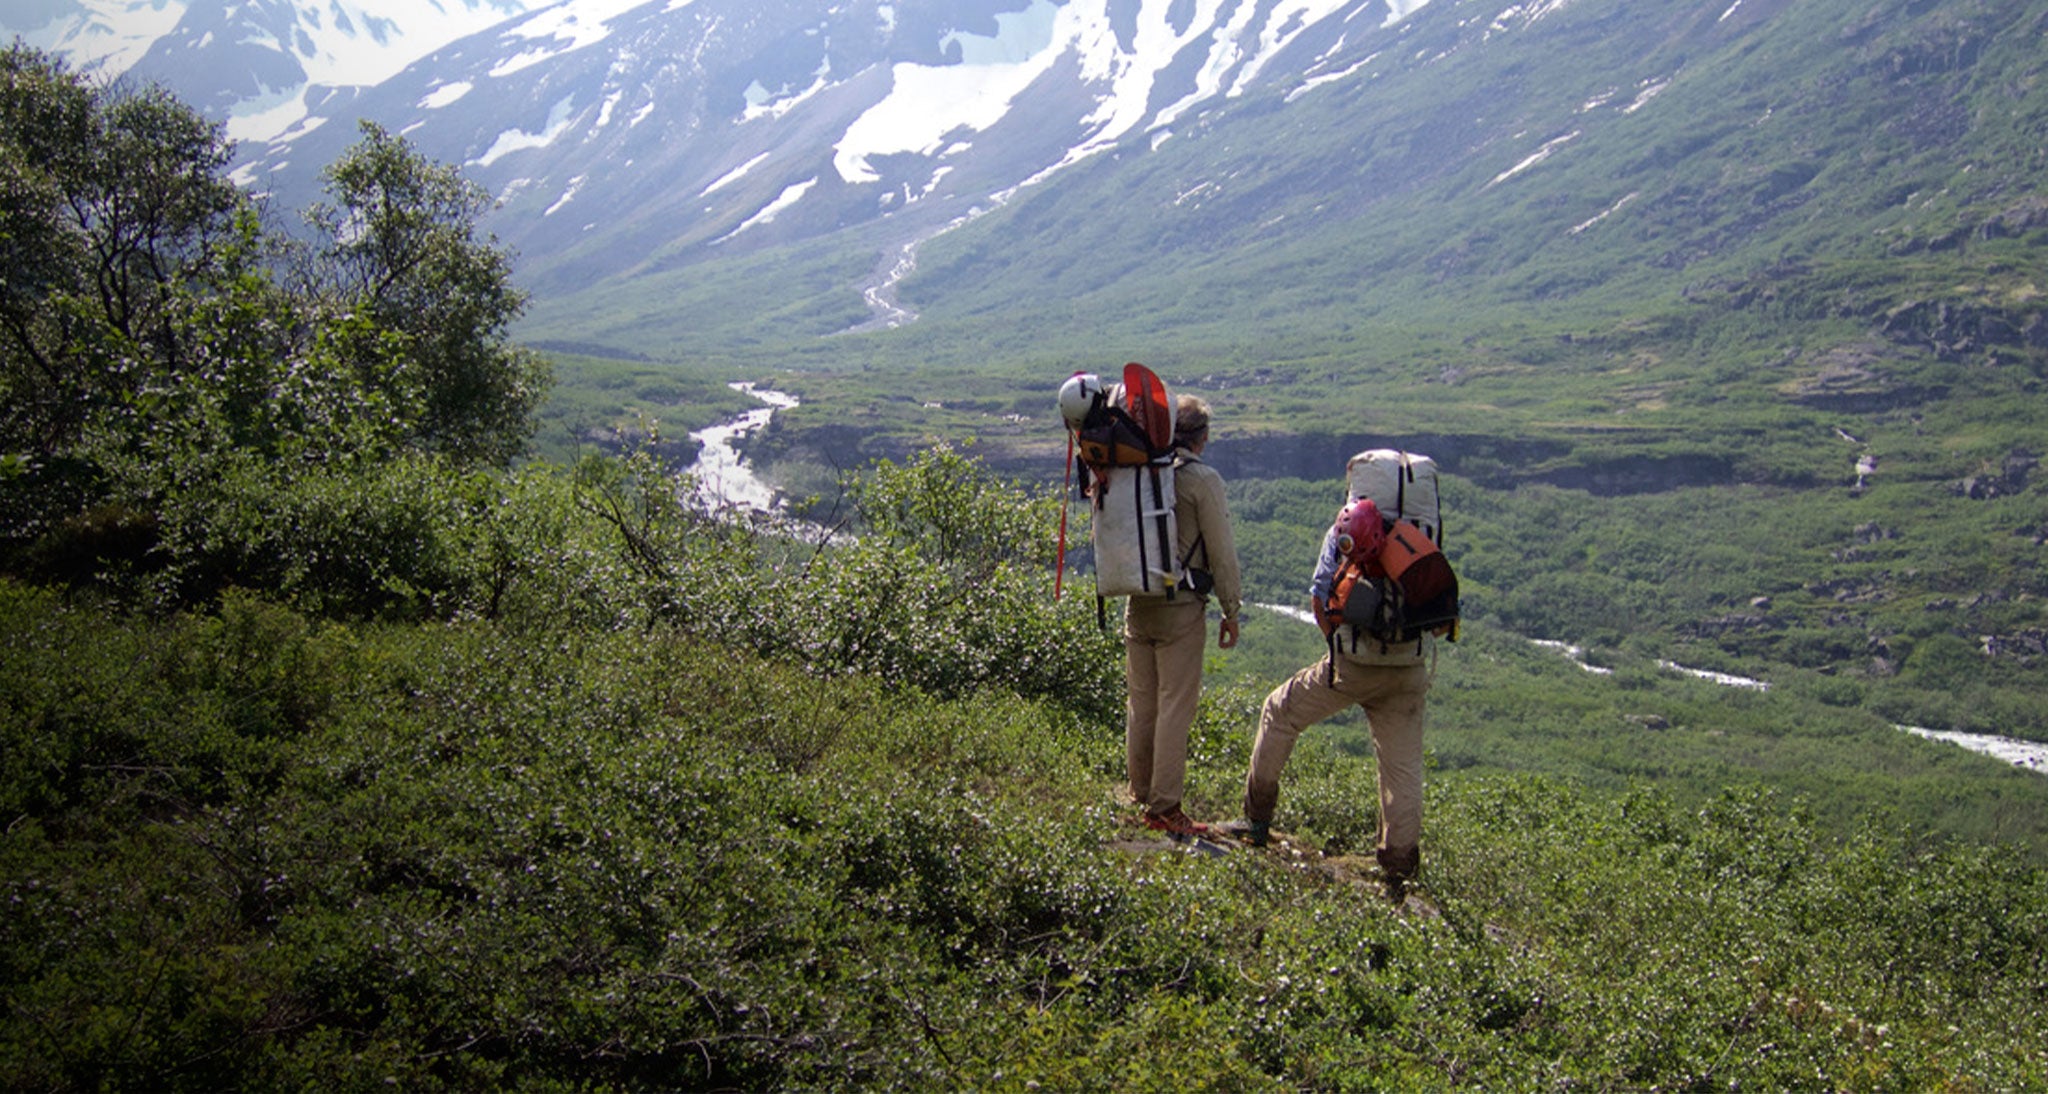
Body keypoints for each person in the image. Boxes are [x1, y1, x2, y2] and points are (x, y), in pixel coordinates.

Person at [1228, 505, 1436, 900]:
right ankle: (1398, 876)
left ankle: (1255, 822)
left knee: (1279, 711)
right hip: (1409, 669)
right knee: (1403, 769)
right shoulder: (1421, 530)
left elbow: (1320, 595)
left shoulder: (1344, 528)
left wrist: (1337, 648)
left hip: (1352, 665)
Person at [1124, 394, 1243, 838]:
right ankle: (1165, 807)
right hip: (1182, 606)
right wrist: (1231, 611)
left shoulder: (1138, 473)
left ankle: (1139, 791)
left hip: (1137, 600)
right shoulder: (1202, 480)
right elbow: (1222, 554)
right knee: (1176, 705)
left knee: (1142, 701)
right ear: (1203, 438)